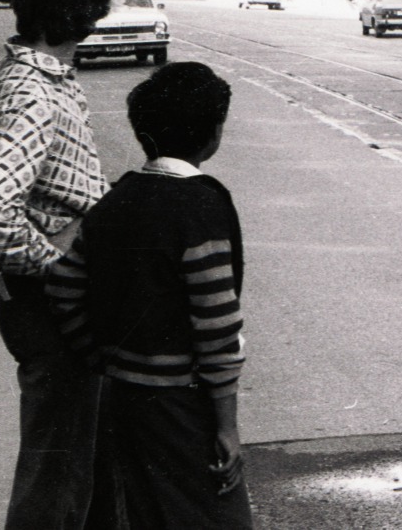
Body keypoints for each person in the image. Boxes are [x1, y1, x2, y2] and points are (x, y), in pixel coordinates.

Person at [49, 62, 252, 529]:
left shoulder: (115, 200)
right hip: (183, 405)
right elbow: (217, 327)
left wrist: (99, 358)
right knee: (218, 517)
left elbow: (63, 286)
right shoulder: (203, 206)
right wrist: (227, 426)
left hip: (123, 399)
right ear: (212, 133)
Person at [0, 0, 123, 530]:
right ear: (82, 7)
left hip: (52, 307)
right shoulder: (33, 91)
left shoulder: (34, 75)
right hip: (53, 309)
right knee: (55, 485)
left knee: (77, 470)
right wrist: (61, 267)